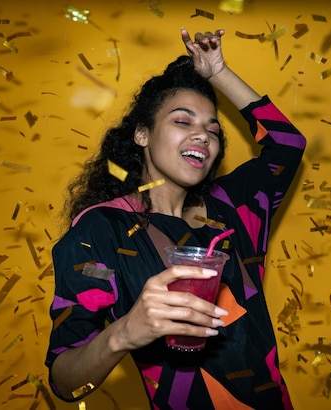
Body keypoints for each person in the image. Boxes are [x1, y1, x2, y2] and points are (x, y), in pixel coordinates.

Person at [45, 28, 306, 409]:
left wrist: (216, 72)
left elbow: (287, 144)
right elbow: (65, 384)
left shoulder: (233, 210)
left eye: (212, 130)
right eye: (183, 122)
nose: (203, 135)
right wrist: (125, 332)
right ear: (142, 135)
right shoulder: (100, 230)